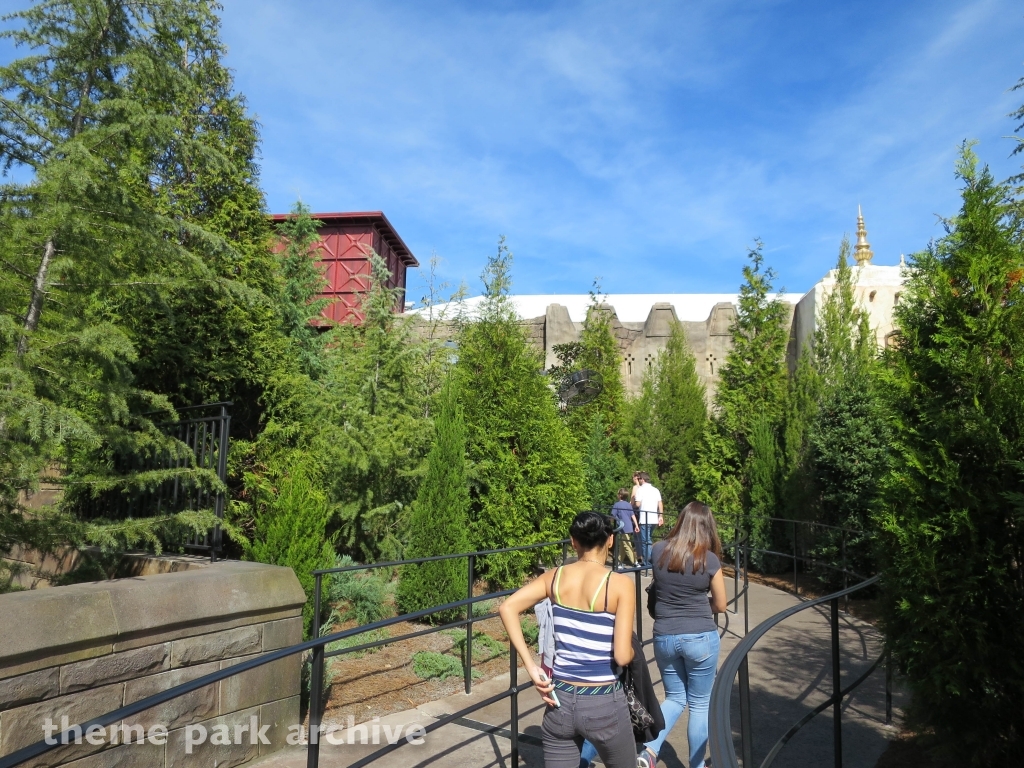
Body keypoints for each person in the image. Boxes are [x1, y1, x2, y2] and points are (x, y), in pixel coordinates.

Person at [499, 512, 637, 768]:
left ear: (574, 542)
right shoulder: (619, 584)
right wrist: (631, 651)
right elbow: (621, 655)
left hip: (559, 700)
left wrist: (531, 667)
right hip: (603, 701)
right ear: (609, 541)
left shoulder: (555, 577)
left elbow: (507, 608)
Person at [637, 502, 728, 768]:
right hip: (701, 636)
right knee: (700, 704)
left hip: (664, 635)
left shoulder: (657, 551)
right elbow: (721, 605)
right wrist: (701, 606)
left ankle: (649, 751)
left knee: (675, 698)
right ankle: (697, 766)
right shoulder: (709, 560)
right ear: (707, 526)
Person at [632, 472, 663, 570]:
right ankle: (650, 560)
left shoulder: (640, 490)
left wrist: (632, 502)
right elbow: (660, 503)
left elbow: (637, 504)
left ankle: (649, 562)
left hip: (645, 519)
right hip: (654, 518)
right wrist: (660, 516)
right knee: (648, 540)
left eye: (639, 479)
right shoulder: (655, 490)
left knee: (645, 541)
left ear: (642, 479)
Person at [610, 488, 639, 567]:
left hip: (623, 528)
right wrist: (636, 525)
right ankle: (619, 562)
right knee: (623, 544)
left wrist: (608, 524)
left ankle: (635, 562)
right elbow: (632, 515)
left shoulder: (617, 505)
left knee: (627, 545)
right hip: (629, 527)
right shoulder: (628, 505)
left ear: (620, 495)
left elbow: (612, 517)